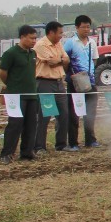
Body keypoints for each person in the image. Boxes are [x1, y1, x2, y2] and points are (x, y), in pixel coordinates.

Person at [0, 25, 40, 163]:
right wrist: (12, 85)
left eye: (35, 38)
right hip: (16, 95)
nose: (34, 41)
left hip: (32, 95)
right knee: (15, 124)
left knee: (31, 124)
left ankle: (27, 152)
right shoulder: (11, 53)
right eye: (31, 38)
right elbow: (3, 73)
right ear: (22, 37)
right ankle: (7, 153)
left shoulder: (33, 54)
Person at [34, 21, 74, 153]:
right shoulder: (41, 45)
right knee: (44, 115)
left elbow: (67, 59)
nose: (61, 36)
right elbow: (51, 62)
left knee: (64, 114)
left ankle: (61, 144)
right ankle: (40, 146)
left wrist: (59, 60)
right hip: (45, 82)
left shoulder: (58, 44)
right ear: (51, 32)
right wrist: (61, 60)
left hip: (59, 82)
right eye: (60, 33)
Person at [63, 14, 100, 149]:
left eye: (88, 27)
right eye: (83, 27)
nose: (86, 29)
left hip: (90, 82)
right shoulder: (70, 42)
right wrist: (72, 74)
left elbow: (94, 60)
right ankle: (73, 143)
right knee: (73, 113)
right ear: (77, 27)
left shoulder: (92, 43)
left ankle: (90, 140)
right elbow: (64, 60)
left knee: (90, 111)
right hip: (75, 82)